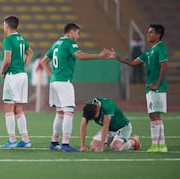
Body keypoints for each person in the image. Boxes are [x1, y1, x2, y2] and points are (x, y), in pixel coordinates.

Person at [41, 23, 110, 152]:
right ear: (71, 32)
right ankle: (65, 144)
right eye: (77, 33)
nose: (78, 36)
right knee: (68, 112)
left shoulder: (56, 44)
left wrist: (53, 76)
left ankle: (54, 141)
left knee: (60, 113)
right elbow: (79, 55)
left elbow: (44, 61)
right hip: (64, 82)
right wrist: (99, 56)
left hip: (55, 82)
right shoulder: (70, 43)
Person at [111, 24, 168, 152]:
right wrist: (117, 58)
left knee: (155, 115)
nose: (148, 34)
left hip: (156, 87)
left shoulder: (161, 47)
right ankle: (158, 145)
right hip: (150, 87)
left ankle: (160, 145)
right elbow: (132, 63)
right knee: (153, 115)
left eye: (151, 32)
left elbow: (164, 65)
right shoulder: (149, 51)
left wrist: (158, 84)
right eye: (148, 32)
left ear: (158, 35)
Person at [0, 15, 34, 148]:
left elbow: (7, 60)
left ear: (7, 25)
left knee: (8, 106)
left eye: (3, 24)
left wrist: (2, 71)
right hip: (22, 75)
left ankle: (12, 140)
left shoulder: (8, 39)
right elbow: (30, 52)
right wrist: (23, 65)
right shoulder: (21, 38)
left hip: (13, 75)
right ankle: (25, 140)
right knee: (18, 108)